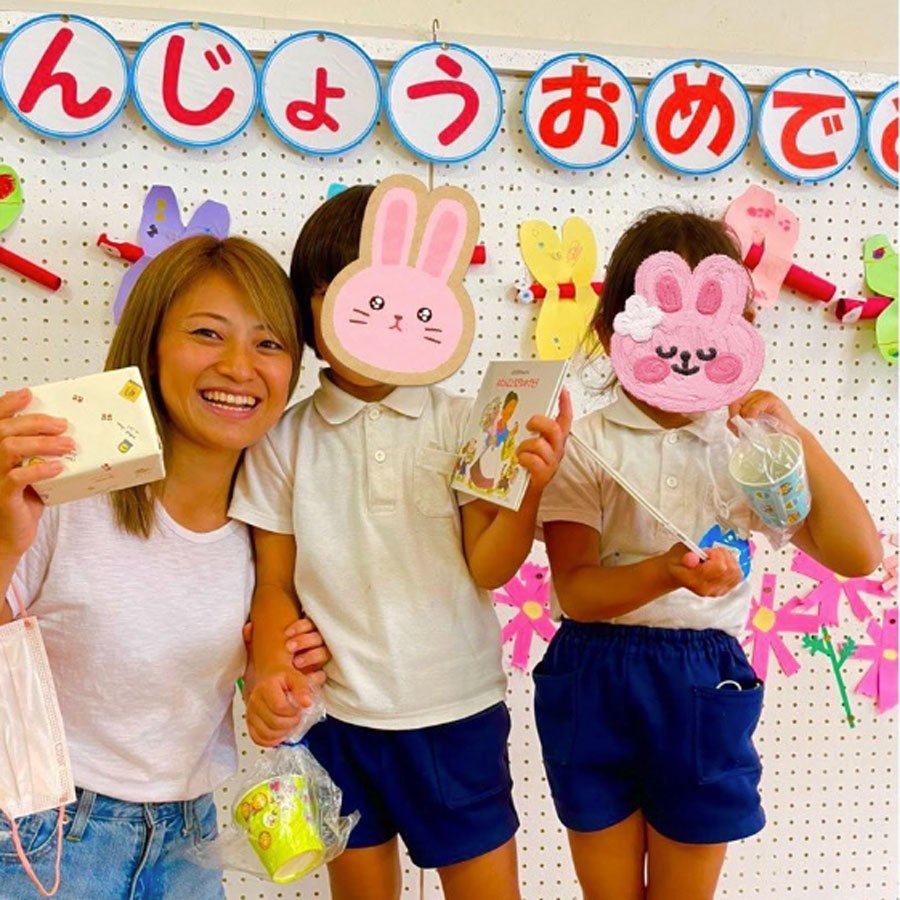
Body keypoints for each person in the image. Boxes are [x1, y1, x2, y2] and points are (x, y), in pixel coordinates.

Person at [232, 184, 572, 900]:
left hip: (456, 711)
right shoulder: (283, 438)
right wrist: (270, 670)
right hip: (337, 716)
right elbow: (273, 581)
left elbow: (488, 567)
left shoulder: (469, 420)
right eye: (347, 292)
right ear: (309, 307)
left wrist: (528, 491)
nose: (381, 319)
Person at [534, 210, 883, 900]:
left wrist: (792, 432)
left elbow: (856, 553)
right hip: (592, 671)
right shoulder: (587, 443)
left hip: (702, 677)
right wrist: (663, 573)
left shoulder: (744, 448)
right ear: (610, 331)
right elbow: (576, 592)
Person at [0, 235, 324, 899]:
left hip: (189, 838)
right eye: (207, 333)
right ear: (148, 345)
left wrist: (283, 698)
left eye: (268, 343)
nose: (239, 367)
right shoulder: (58, 492)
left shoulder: (279, 526)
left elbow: (269, 669)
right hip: (41, 836)